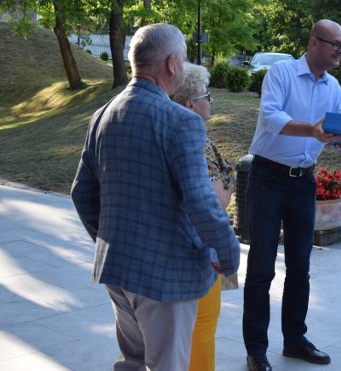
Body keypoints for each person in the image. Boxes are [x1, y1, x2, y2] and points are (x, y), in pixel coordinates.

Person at [70, 23, 240, 371]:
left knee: (133, 363)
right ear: (172, 64)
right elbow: (201, 201)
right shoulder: (182, 121)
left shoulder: (101, 116)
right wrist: (230, 252)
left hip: (118, 270)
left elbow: (81, 194)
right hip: (167, 279)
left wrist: (111, 239)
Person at [242, 19, 341, 371]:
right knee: (261, 269)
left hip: (303, 181)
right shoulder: (281, 73)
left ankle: (294, 340)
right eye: (335, 44)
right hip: (268, 177)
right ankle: (257, 350)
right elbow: (271, 116)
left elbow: (340, 127)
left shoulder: (333, 86)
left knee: (300, 266)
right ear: (314, 42)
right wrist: (311, 130)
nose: (340, 51)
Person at [172, 62, 237, 371]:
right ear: (189, 104)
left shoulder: (166, 134)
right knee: (202, 329)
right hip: (200, 253)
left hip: (170, 254)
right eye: (206, 95)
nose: (211, 100)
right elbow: (215, 202)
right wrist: (228, 186)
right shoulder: (197, 143)